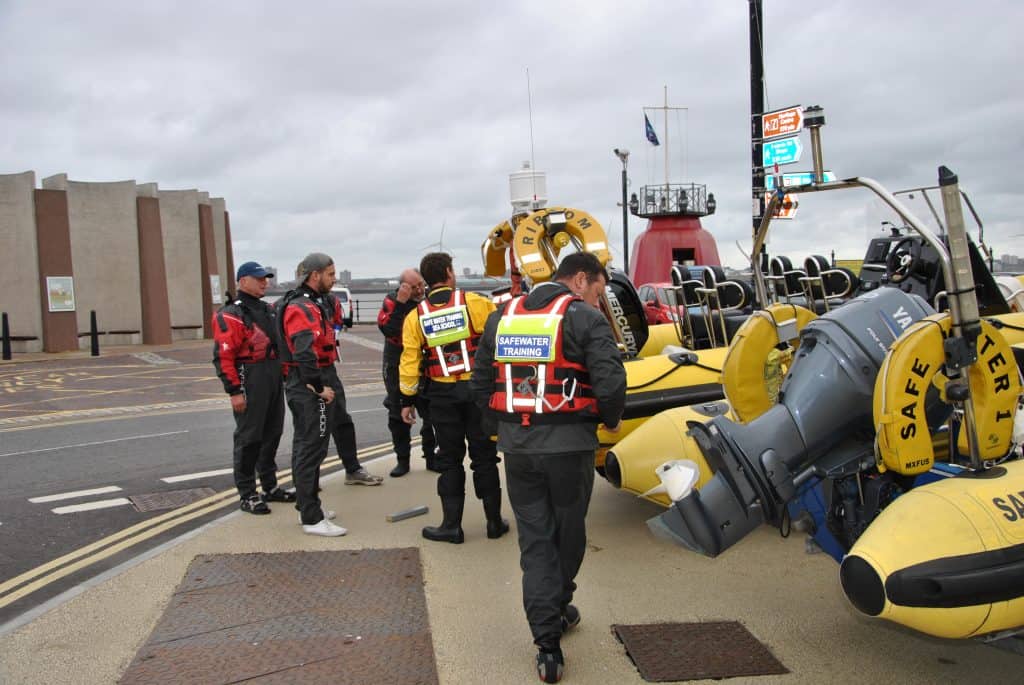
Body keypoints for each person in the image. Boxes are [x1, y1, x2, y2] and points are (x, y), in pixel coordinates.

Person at [471, 252, 626, 684]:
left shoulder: (501, 316)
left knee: (535, 541)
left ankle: (547, 644)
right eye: (597, 290)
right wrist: (610, 418)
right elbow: (611, 383)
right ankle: (557, 605)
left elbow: (480, 381)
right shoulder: (585, 319)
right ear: (580, 280)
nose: (598, 300)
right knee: (569, 534)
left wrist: (499, 426)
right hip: (569, 449)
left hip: (518, 449)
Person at [399, 252, 508, 543]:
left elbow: (409, 363)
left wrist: (406, 400)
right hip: (476, 391)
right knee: (484, 457)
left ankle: (451, 526)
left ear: (425, 280)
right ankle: (494, 523)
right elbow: (500, 335)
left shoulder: (415, 317)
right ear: (449, 273)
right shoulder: (475, 303)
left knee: (449, 459)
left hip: (442, 395)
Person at [212, 261, 295, 515]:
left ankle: (270, 487)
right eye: (259, 278)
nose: (264, 282)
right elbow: (223, 357)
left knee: (273, 433)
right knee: (249, 439)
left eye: (266, 278)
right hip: (249, 376)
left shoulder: (268, 310)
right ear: (242, 281)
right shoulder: (231, 313)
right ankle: (247, 494)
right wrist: (234, 391)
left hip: (271, 375)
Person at [277, 253, 347, 537]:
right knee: (311, 448)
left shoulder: (306, 302)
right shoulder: (302, 306)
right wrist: (318, 387)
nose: (334, 279)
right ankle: (312, 517)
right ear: (314, 275)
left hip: (305, 380)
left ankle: (308, 505)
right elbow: (303, 351)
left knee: (306, 445)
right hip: (309, 384)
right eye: (330, 274)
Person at [377, 268, 437, 477]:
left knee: (431, 412)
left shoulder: (428, 299)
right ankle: (402, 460)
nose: (420, 289)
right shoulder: (392, 302)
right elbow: (388, 330)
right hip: (396, 360)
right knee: (397, 413)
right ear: (403, 287)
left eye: (421, 284)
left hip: (423, 359)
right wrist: (401, 304)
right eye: (414, 287)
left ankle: (431, 456)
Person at [321, 288, 384, 486]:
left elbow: (339, 322)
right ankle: (307, 483)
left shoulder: (330, 301)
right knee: (313, 429)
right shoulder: (296, 304)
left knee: (342, 421)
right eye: (329, 274)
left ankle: (353, 468)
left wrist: (334, 333)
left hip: (328, 368)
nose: (333, 279)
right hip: (306, 372)